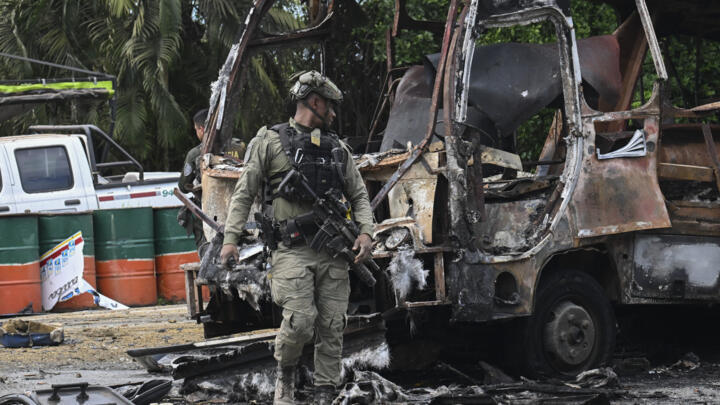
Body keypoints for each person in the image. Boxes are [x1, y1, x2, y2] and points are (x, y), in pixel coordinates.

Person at [219, 70, 373, 404]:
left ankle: (324, 391)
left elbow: (359, 196)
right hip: (291, 251)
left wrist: (365, 233)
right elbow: (244, 193)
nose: (333, 114)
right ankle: (285, 375)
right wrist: (230, 239)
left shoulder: (337, 149)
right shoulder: (270, 142)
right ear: (314, 102)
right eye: (329, 106)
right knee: (301, 322)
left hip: (333, 252)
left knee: (332, 327)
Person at [178, 109, 210, 254]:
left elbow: (183, 186)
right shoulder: (238, 146)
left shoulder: (195, 154)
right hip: (237, 210)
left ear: (201, 129)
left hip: (207, 213)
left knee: (206, 251)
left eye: (196, 129)